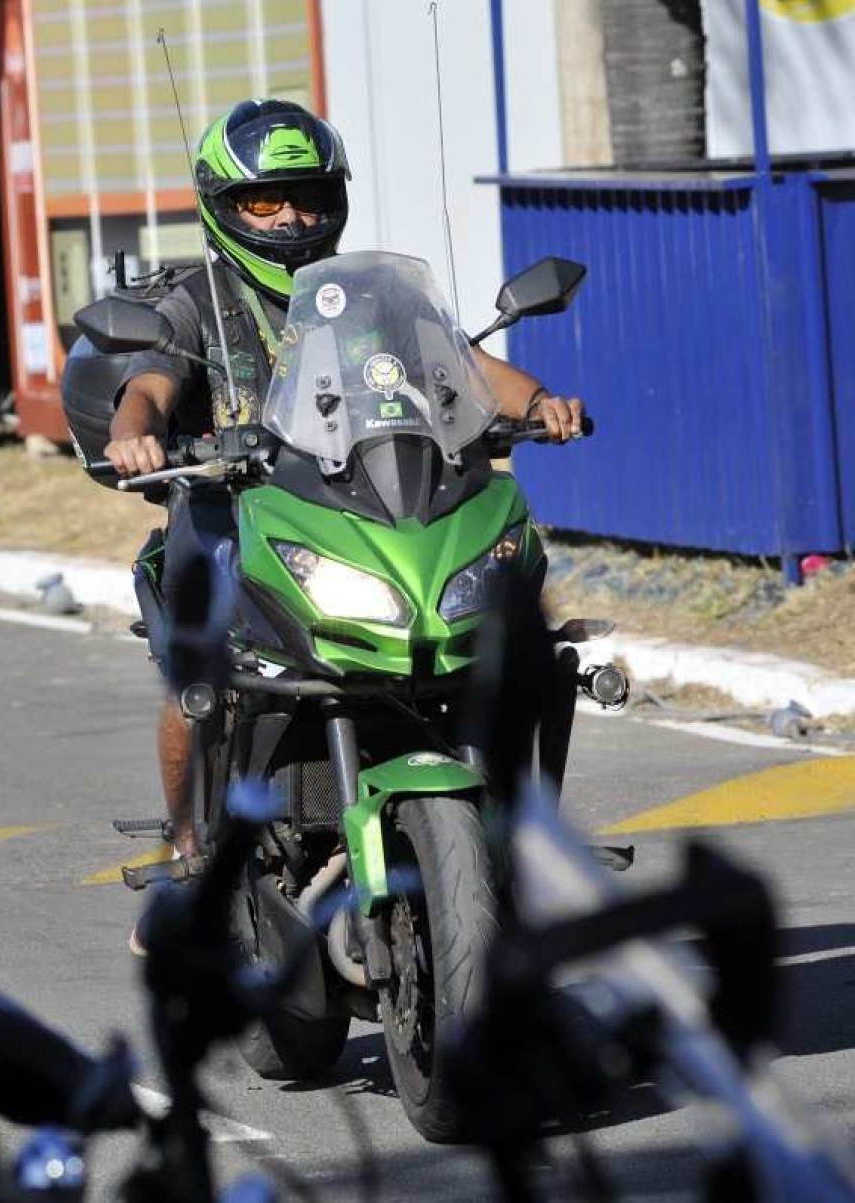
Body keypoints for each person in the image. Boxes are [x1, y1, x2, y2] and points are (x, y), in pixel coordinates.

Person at [103, 100, 585, 955]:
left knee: (520, 642)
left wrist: (539, 403)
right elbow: (148, 383)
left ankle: (513, 827)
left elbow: (465, 361)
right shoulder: (196, 304)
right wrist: (132, 432)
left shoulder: (370, 297)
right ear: (223, 203)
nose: (292, 217)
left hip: (353, 505)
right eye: (268, 201)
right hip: (230, 507)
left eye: (311, 197)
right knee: (197, 677)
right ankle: (189, 856)